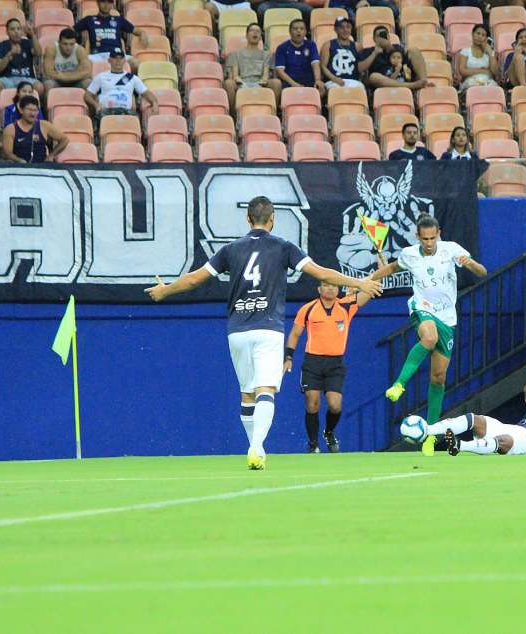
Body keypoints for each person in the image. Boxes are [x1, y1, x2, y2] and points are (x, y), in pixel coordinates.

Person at [144, 196, 383, 470]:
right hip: (268, 329)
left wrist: (165, 290)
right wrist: (358, 282)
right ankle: (256, 447)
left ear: (247, 219)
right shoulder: (284, 247)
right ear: (272, 220)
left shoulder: (230, 249)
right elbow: (321, 273)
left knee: (247, 394)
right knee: (265, 390)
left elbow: (195, 278)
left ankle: (254, 449)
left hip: (237, 331)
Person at [371, 214, 488, 455]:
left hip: (448, 318)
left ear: (439, 234)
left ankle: (431, 435)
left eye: (432, 238)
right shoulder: (410, 254)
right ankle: (399, 384)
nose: (429, 243)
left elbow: (483, 272)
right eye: (424, 238)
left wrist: (470, 264)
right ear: (418, 236)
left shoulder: (451, 250)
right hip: (422, 307)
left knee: (438, 378)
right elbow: (392, 268)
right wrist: (367, 279)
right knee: (429, 337)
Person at [286, 281, 374, 453]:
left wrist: (380, 268)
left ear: (338, 289)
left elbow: (369, 292)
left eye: (334, 286)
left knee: (335, 405)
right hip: (313, 362)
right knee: (313, 403)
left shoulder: (346, 306)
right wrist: (288, 356)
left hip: (335, 364)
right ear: (319, 289)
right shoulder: (308, 309)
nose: (330, 289)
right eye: (326, 285)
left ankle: (329, 432)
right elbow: (295, 334)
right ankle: (313, 445)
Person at [426, 362, 526, 456]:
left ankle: (459, 445)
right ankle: (428, 430)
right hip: (515, 428)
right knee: (477, 420)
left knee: (505, 441)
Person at [75, 0, 149, 62]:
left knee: (136, 63)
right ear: (97, 3)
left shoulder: (119, 20)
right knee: (83, 63)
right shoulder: (89, 19)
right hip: (97, 56)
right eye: (103, 1)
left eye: (109, 2)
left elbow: (136, 31)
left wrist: (143, 33)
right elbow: (71, 31)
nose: (106, 4)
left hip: (117, 55)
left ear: (112, 4)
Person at [84, 47, 159, 116]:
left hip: (127, 112)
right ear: (109, 60)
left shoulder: (132, 77)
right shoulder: (101, 76)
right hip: (106, 112)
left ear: (124, 61)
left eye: (121, 58)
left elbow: (146, 93)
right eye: (115, 58)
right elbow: (87, 95)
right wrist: (95, 105)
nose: (118, 61)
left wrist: (154, 103)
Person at [224, 23, 279, 109]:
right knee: (228, 83)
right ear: (246, 35)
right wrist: (239, 81)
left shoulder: (266, 55)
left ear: (261, 37)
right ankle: (233, 113)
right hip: (241, 82)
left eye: (258, 31)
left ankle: (272, 111)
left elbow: (265, 75)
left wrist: (263, 81)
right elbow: (234, 75)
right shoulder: (235, 54)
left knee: (276, 83)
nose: (255, 33)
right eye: (252, 31)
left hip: (260, 83)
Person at [1, 95, 69, 163]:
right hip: (20, 168)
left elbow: (65, 139)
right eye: (29, 110)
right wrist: (19, 161)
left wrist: (52, 155)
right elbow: (7, 154)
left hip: (42, 168)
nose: (33, 114)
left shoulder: (44, 125)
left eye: (35, 110)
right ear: (21, 110)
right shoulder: (10, 129)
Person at [360, 26, 429, 89]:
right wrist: (374, 53)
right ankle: (413, 86)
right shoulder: (368, 51)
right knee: (373, 77)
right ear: (374, 39)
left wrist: (388, 46)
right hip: (384, 81)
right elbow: (362, 68)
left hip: (402, 76)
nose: (382, 38)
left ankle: (423, 81)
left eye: (384, 35)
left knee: (414, 50)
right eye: (379, 36)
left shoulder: (396, 47)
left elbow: (404, 60)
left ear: (388, 37)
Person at [0, 18, 43, 99]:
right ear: (7, 32)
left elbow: (39, 53)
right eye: (12, 29)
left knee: (40, 87)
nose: (16, 31)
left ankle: (34, 109)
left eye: (19, 29)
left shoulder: (28, 43)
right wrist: (10, 54)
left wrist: (32, 35)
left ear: (22, 31)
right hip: (8, 79)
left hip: (27, 78)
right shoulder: (0, 46)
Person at [274, 19, 326, 95]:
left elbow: (315, 64)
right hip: (289, 83)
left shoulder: (311, 45)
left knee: (322, 89)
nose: (299, 31)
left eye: (302, 29)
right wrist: (294, 84)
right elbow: (280, 71)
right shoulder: (282, 48)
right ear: (290, 32)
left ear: (305, 32)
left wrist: (317, 80)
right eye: (295, 29)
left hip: (309, 82)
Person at [321, 17, 364, 90]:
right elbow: (323, 67)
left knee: (360, 90)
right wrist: (334, 79)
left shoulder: (358, 46)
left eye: (348, 27)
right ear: (335, 29)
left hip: (353, 81)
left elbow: (361, 67)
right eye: (342, 27)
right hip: (333, 81)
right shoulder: (328, 45)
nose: (345, 30)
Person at [456, 24, 499, 92]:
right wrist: (483, 71)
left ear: (486, 38)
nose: (480, 37)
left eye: (483, 35)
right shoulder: (465, 51)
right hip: (470, 82)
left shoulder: (490, 53)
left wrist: (490, 53)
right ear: (473, 34)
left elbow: (495, 71)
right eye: (478, 33)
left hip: (487, 82)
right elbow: (462, 71)